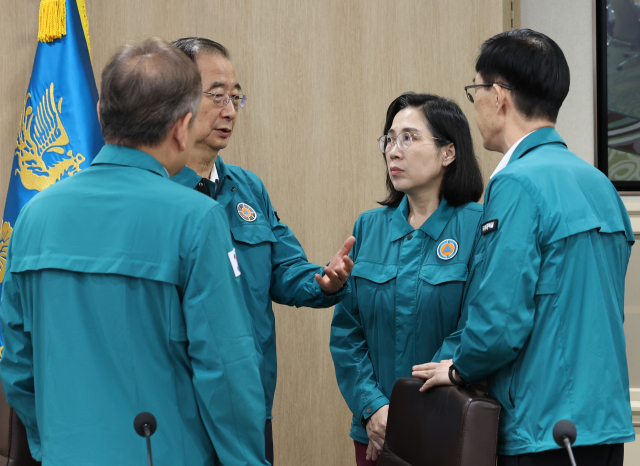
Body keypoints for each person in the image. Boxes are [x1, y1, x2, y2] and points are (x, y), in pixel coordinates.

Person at [0, 38, 268, 466]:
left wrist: (53, 443)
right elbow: (227, 375)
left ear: (101, 113)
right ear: (182, 125)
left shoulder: (33, 217)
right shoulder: (196, 220)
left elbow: (17, 364)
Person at [413, 29, 635, 466]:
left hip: (543, 428)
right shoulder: (600, 185)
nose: (474, 103)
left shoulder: (516, 182)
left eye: (475, 89)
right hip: (604, 426)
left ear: (498, 96)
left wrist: (457, 368)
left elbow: (499, 320)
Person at [170, 37, 355, 464]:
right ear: (175, 98)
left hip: (250, 401)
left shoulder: (247, 187)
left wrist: (323, 282)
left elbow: (283, 269)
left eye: (236, 97)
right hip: (180, 407)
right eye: (216, 95)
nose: (230, 111)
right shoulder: (154, 194)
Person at [330, 93, 484, 465]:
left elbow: (477, 326)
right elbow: (347, 334)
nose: (393, 151)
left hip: (449, 425)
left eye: (409, 138)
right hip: (376, 431)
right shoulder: (369, 227)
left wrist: (413, 408)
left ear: (448, 152)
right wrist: (374, 408)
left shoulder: (478, 225)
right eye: (389, 139)